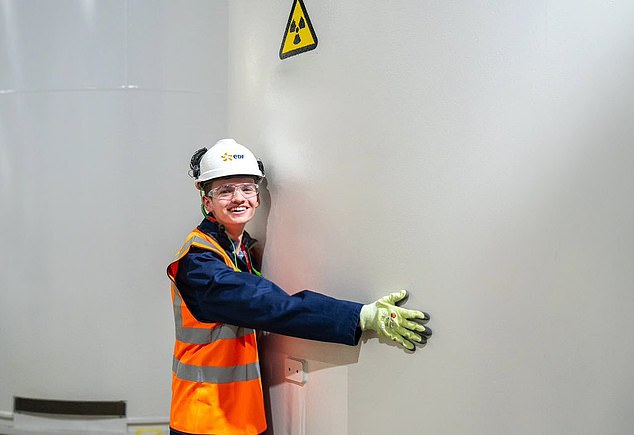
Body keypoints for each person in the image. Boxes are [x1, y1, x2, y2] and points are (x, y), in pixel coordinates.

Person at [167, 138, 432, 435]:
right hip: (204, 419)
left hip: (240, 415)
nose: (238, 198)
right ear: (207, 202)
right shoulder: (200, 263)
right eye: (225, 191)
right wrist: (360, 316)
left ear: (257, 196)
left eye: (246, 188)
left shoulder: (237, 249)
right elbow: (270, 305)